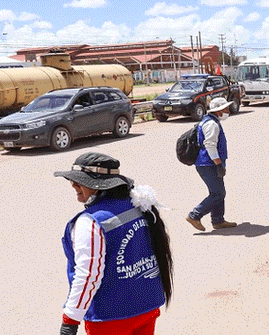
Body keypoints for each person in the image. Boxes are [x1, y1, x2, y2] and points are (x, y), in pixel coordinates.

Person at [55, 152, 173, 335]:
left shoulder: (91, 221)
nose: (73, 184)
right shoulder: (138, 207)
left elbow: (88, 275)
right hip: (147, 307)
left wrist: (70, 320)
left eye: (80, 181)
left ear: (98, 187)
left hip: (110, 318)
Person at [186, 97, 237, 231]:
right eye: (225, 109)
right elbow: (210, 145)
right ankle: (194, 215)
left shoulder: (210, 121)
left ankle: (218, 220)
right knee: (218, 193)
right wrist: (218, 164)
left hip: (209, 163)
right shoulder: (211, 124)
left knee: (217, 192)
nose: (228, 111)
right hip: (208, 164)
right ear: (219, 111)